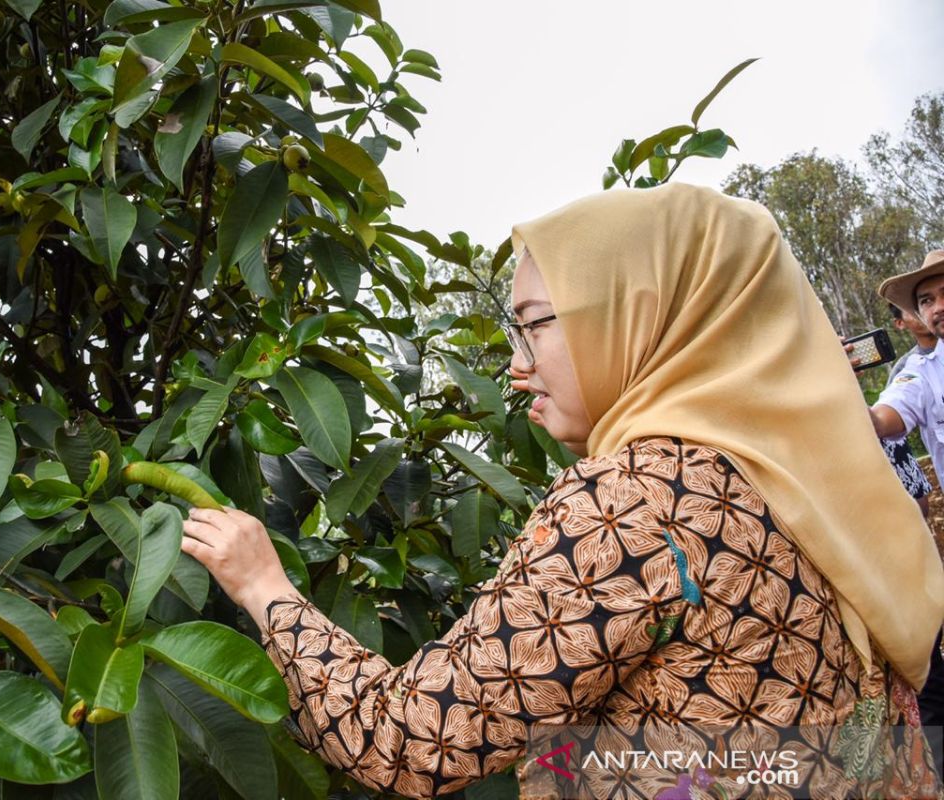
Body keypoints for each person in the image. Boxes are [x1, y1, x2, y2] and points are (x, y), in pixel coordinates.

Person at [180, 184, 944, 798]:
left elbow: (407, 741)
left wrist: (263, 587)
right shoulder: (805, 473)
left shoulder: (635, 505)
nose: (517, 365)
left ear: (642, 320)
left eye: (536, 324)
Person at [879, 303, 936, 517]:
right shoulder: (907, 369)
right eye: (913, 310)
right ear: (900, 323)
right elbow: (886, 422)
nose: (923, 313)